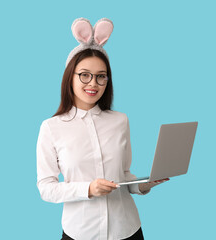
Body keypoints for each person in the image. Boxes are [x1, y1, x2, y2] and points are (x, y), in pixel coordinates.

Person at [36, 18, 169, 240]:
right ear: (71, 77)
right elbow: (46, 188)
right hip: (81, 232)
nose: (93, 83)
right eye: (85, 75)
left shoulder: (120, 121)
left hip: (127, 229)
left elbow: (124, 175)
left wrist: (144, 184)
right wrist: (88, 189)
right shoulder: (51, 127)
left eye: (101, 76)